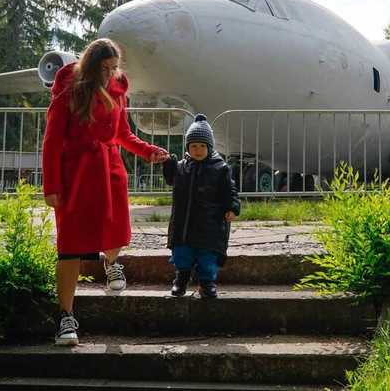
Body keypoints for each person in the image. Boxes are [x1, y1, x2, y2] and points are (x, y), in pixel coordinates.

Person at [41, 38, 170, 347]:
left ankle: (111, 262)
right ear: (91, 66)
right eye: (105, 69)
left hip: (109, 169)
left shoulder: (118, 89)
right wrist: (52, 186)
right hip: (75, 173)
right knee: (69, 247)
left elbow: (122, 134)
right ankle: (65, 318)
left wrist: (147, 150)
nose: (111, 74)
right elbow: (52, 140)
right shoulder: (70, 89)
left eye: (114, 68)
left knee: (117, 234)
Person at [162, 113, 241, 298]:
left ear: (210, 147)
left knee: (207, 256)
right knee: (182, 253)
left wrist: (232, 207)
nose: (197, 150)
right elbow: (170, 179)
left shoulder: (220, 168)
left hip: (210, 223)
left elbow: (230, 190)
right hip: (184, 224)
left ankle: (207, 282)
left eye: (202, 146)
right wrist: (168, 164)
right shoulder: (181, 166)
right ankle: (181, 279)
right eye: (193, 146)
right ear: (188, 147)